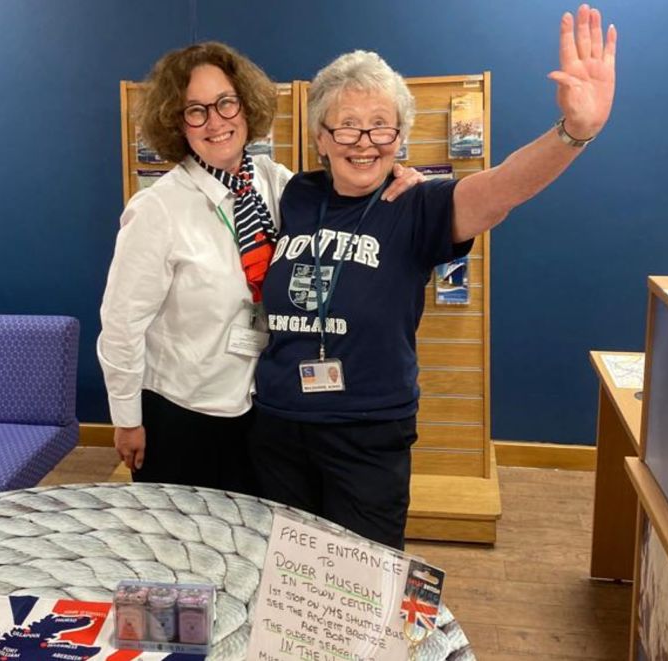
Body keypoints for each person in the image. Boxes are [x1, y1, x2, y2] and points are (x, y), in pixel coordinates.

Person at [251, 4, 616, 548]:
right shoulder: (296, 194)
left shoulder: (418, 204)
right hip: (278, 423)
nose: (364, 141)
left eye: (381, 126)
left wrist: (572, 133)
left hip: (367, 430)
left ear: (400, 137)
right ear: (320, 138)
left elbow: (501, 189)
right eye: (346, 126)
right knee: (283, 571)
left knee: (362, 579)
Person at [97, 42, 425, 493]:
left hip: (259, 411)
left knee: (246, 534)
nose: (216, 121)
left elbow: (349, 184)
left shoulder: (277, 182)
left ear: (246, 105)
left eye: (226, 103)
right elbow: (121, 326)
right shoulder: (158, 209)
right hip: (183, 413)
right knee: (184, 535)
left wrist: (400, 178)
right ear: (177, 122)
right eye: (196, 110)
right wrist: (126, 420)